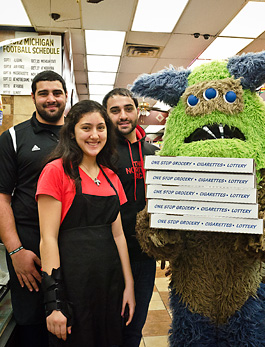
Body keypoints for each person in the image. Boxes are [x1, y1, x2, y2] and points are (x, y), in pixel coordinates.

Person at [37, 100, 135, 345]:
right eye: (86, 128)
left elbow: (118, 235)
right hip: (72, 285)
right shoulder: (56, 171)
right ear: (72, 132)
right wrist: (54, 303)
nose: (95, 135)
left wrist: (129, 285)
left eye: (101, 128)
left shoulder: (111, 176)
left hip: (110, 284)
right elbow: (47, 239)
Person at [0, 70, 67, 346]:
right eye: (43, 93)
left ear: (66, 96)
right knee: (32, 324)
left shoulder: (80, 136)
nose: (51, 99)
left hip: (72, 245)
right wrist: (16, 251)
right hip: (29, 247)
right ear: (33, 97)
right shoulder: (13, 138)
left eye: (57, 92)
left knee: (73, 320)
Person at [103, 88, 159, 346]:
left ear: (138, 112)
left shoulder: (154, 153)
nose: (123, 116)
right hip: (107, 254)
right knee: (108, 327)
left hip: (144, 255)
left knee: (134, 328)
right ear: (106, 115)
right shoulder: (100, 152)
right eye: (115, 111)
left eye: (128, 109)